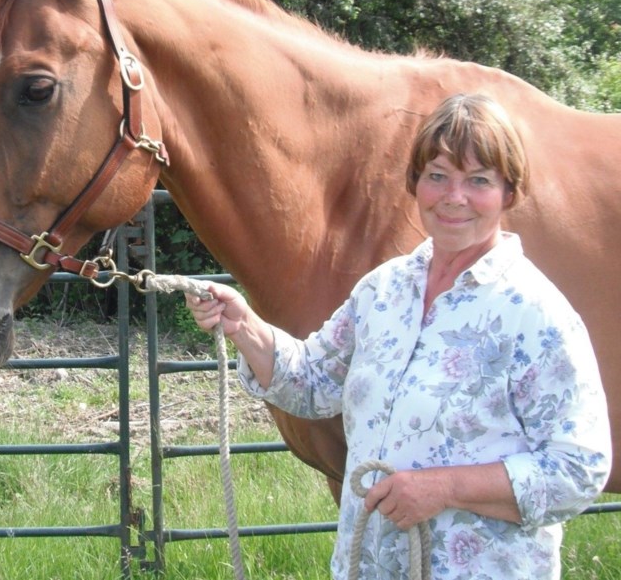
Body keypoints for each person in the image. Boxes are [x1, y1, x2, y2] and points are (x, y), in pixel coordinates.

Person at [185, 93, 611, 579]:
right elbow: (311, 381)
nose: (454, 197)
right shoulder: (385, 289)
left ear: (508, 193)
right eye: (437, 176)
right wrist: (245, 327)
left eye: (478, 181)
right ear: (415, 184)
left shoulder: (535, 314)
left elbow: (579, 469)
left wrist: (443, 489)